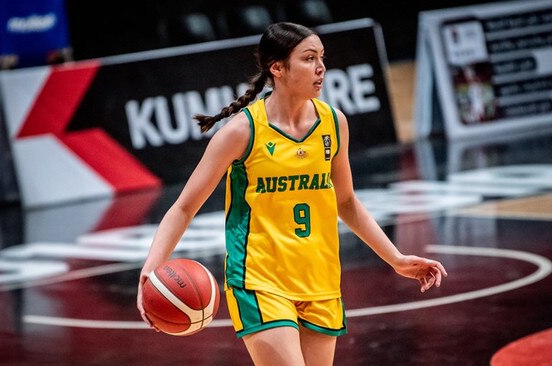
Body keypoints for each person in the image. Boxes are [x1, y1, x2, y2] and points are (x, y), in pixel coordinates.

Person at [137, 22, 447, 366]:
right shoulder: (242, 131)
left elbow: (346, 202)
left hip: (321, 279)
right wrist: (150, 268)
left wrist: (396, 259)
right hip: (260, 280)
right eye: (309, 58)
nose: (321, 68)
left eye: (322, 58)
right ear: (277, 68)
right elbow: (183, 207)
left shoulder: (333, 123)